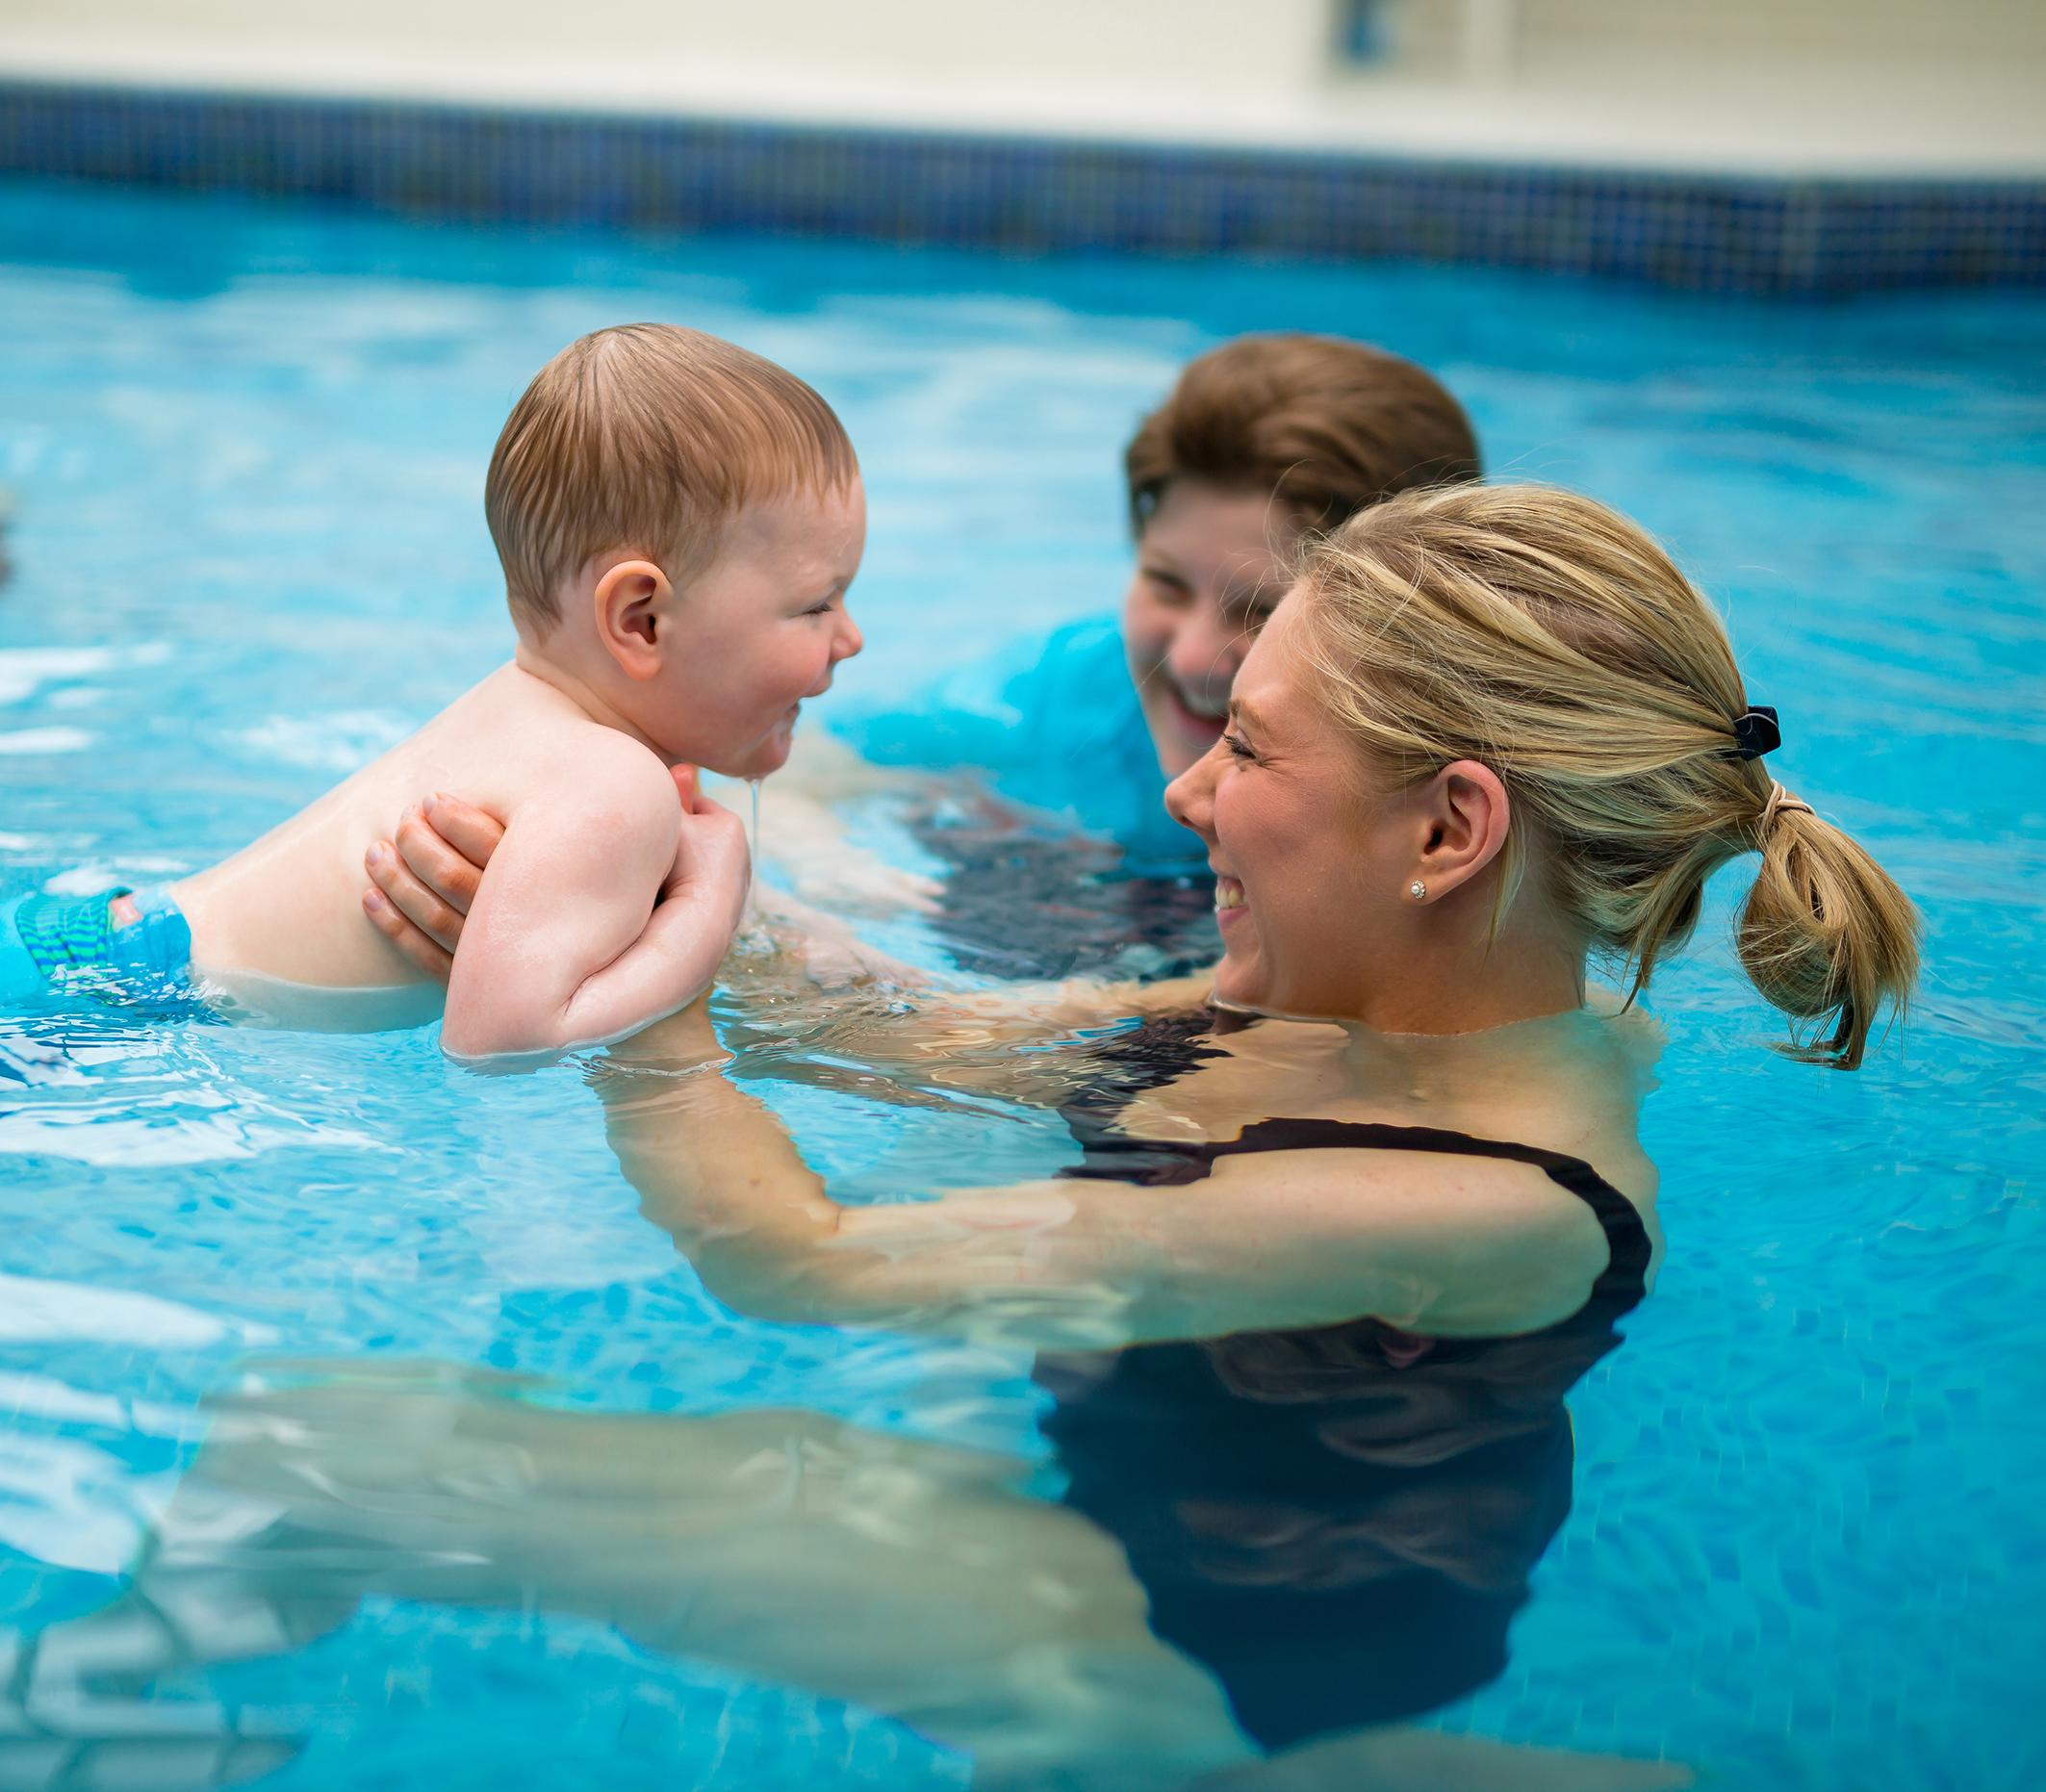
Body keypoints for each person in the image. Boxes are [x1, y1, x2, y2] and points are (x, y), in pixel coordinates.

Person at [358, 481, 1919, 1780]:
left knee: (345, 1451)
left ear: (1448, 829)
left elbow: (793, 1261)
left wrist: (642, 1003)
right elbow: (906, 1038)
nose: (1187, 794)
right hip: (1121, 1507)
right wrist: (611, 881)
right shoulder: (1334, 1002)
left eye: (1247, 746)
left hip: (1204, 1652)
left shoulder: (1486, 1202)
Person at [0, 324, 870, 1062]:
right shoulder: (613, 784)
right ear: (640, 619)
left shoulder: (531, 716)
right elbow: (498, 1042)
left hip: (96, 942)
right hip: (112, 1016)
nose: (849, 637)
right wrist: (707, 912)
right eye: (815, 605)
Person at [761, 333, 1483, 981]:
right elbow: (782, 768)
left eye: (1261, 611)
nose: (1194, 656)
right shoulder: (1065, 691)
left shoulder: (1452, 789)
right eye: (1166, 583)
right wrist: (833, 866)